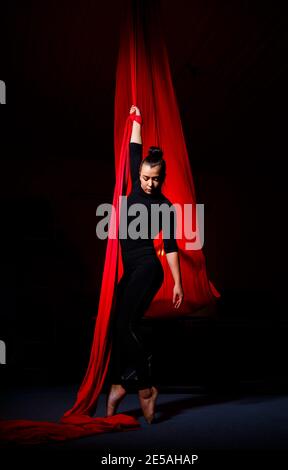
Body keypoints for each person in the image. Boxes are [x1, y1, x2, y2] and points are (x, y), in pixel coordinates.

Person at [106, 105, 184, 424]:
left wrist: (177, 282)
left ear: (162, 177)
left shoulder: (165, 206)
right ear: (139, 175)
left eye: (155, 179)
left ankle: (145, 388)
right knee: (118, 326)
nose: (150, 184)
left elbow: (171, 247)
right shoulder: (135, 188)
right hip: (131, 271)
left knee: (126, 326)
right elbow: (134, 149)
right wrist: (136, 119)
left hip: (149, 269)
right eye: (145, 177)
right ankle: (120, 385)